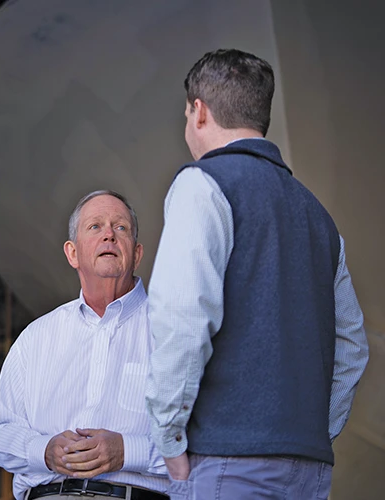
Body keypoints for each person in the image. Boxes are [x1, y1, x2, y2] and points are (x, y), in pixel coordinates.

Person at [145, 48, 370, 499]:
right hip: (307, 468)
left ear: (199, 111)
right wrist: (310, 432)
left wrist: (168, 437)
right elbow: (352, 345)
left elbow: (182, 318)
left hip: (228, 461)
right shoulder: (317, 214)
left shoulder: (202, 185)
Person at [0, 190, 170, 500]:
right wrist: (45, 451)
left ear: (136, 254)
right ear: (72, 253)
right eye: (95, 226)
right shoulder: (36, 337)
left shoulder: (174, 332)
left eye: (120, 227)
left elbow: (209, 444)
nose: (108, 234)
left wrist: (128, 451)